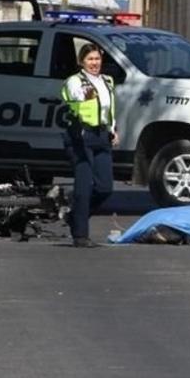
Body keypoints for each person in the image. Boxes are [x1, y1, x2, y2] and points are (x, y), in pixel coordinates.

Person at [61, 43, 119, 248]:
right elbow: (76, 100)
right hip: (80, 135)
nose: (94, 63)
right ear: (81, 62)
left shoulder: (108, 81)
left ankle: (75, 216)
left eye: (97, 59)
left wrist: (113, 129)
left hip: (101, 135)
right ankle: (80, 235)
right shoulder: (74, 82)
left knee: (105, 188)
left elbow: (108, 108)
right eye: (90, 59)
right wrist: (85, 93)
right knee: (84, 186)